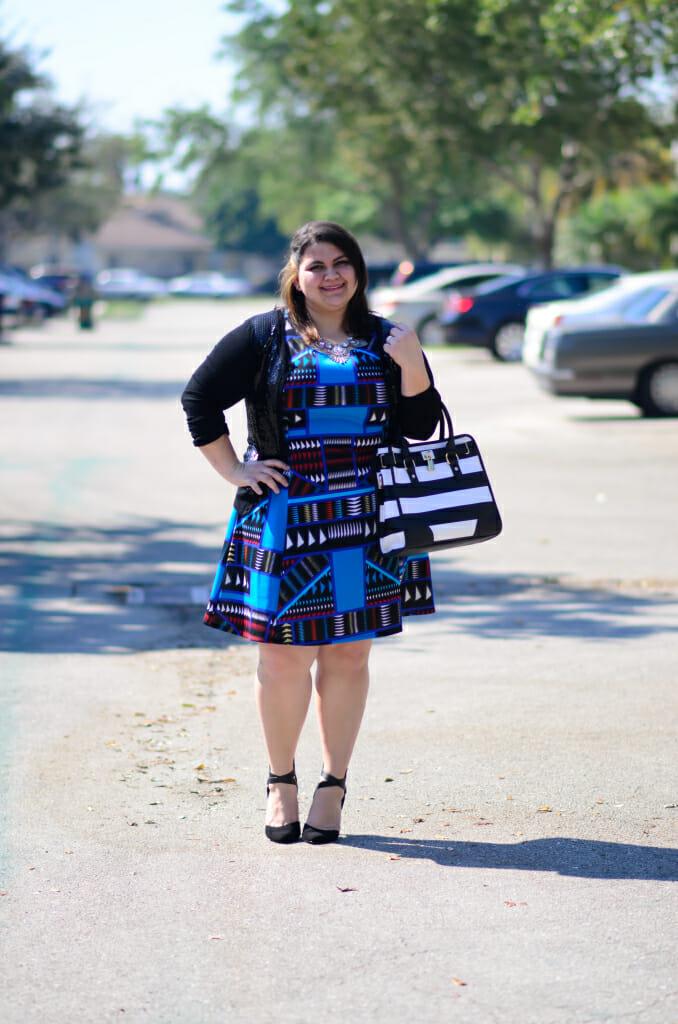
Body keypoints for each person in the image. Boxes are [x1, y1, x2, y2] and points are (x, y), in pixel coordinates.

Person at [181, 221, 442, 845]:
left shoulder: (388, 338)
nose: (330, 275)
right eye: (316, 265)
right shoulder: (265, 335)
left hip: (365, 522)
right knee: (282, 657)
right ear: (295, 276)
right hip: (284, 518)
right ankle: (280, 783)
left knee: (349, 654)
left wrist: (412, 366)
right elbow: (199, 398)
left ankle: (334, 785)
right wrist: (234, 469)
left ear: (358, 270)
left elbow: (420, 427)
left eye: (341, 262)